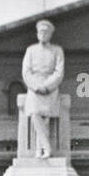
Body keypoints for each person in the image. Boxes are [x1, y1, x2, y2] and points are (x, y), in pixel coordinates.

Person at [22, 19, 65, 158]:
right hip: (34, 89)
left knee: (46, 118)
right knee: (35, 114)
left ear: (51, 34)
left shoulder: (57, 50)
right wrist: (36, 86)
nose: (43, 34)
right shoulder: (31, 50)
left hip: (50, 88)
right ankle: (46, 148)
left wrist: (47, 87)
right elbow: (26, 72)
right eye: (41, 31)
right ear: (37, 33)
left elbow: (59, 72)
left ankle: (40, 150)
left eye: (46, 32)